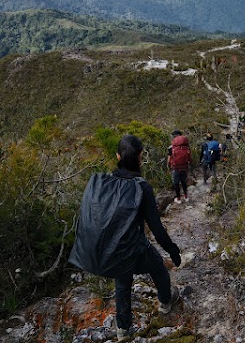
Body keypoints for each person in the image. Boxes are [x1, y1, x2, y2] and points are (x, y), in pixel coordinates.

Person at [69, 134, 181, 342]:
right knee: (157, 266)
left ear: (118, 156)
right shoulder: (142, 187)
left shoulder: (100, 183)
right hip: (132, 250)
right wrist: (174, 252)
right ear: (140, 157)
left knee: (122, 280)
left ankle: (123, 330)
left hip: (107, 253)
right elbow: (156, 228)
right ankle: (166, 302)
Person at [167, 130, 192, 204]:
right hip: (184, 167)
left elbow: (169, 159)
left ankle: (178, 199)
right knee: (184, 182)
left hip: (175, 168)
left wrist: (168, 166)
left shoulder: (171, 147)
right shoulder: (186, 146)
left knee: (176, 183)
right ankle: (186, 196)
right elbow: (189, 157)